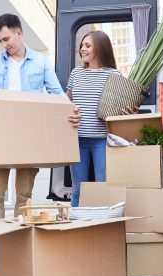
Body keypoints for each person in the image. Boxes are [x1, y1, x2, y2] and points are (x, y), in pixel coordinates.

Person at [0, 13, 80, 270]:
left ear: (19, 33)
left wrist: (71, 110)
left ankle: (17, 245)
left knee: (23, 195)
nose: (4, 44)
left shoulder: (41, 61)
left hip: (29, 135)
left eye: (6, 38)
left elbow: (56, 93)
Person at [66, 31, 138, 207]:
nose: (82, 49)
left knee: (103, 187)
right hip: (77, 140)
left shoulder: (114, 75)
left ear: (100, 47)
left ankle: (102, 228)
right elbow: (66, 103)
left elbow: (127, 111)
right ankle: (74, 230)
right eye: (82, 45)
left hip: (102, 141)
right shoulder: (76, 74)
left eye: (87, 45)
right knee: (78, 189)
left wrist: (130, 113)